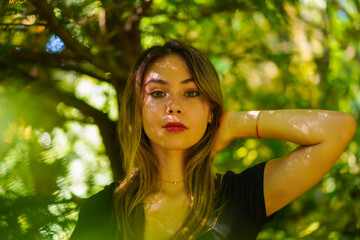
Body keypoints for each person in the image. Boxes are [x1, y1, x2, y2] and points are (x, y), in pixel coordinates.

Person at [69, 40, 356, 240]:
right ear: (138, 110)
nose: (173, 105)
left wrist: (237, 122)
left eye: (191, 92)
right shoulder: (102, 210)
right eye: (158, 93)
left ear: (210, 111)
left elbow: (338, 129)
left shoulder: (240, 197)